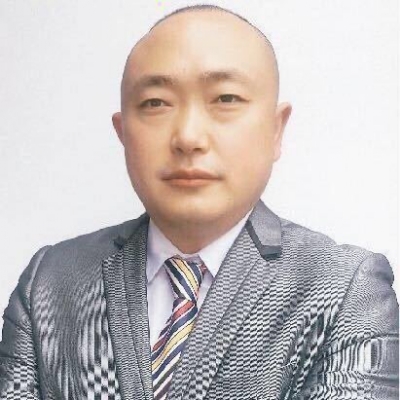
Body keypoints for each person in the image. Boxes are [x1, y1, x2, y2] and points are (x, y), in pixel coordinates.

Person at [0, 4, 398, 400]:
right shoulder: (50, 280)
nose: (188, 137)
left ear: (276, 129)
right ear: (122, 133)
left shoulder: (345, 288)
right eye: (156, 103)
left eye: (225, 98)